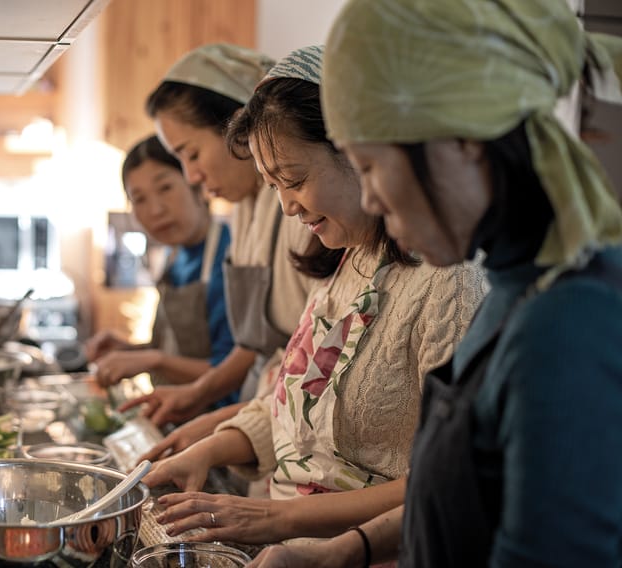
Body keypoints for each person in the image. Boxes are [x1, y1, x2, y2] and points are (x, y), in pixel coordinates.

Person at [249, 1, 622, 566]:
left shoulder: (564, 325)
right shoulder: (511, 284)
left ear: (463, 141)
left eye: (372, 166)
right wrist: (349, 550)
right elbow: (467, 499)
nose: (370, 197)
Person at [139, 45, 486, 546]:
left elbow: (446, 484)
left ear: (362, 155)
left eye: (295, 180)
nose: (286, 207)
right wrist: (210, 449)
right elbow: (291, 402)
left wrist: (274, 520)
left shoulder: (451, 280)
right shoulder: (345, 258)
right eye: (272, 184)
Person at [120, 44, 318, 431]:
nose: (192, 175)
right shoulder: (246, 208)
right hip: (261, 420)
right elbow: (252, 346)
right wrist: (198, 398)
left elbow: (311, 359)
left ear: (239, 126)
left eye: (191, 154)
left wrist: (216, 419)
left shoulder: (302, 213)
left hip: (289, 424)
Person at [86, 135, 235, 391]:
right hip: (175, 413)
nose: (155, 210)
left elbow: (235, 373)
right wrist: (131, 351)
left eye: (165, 188)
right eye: (139, 199)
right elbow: (175, 350)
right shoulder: (171, 256)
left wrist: (152, 361)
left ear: (197, 185)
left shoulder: (232, 255)